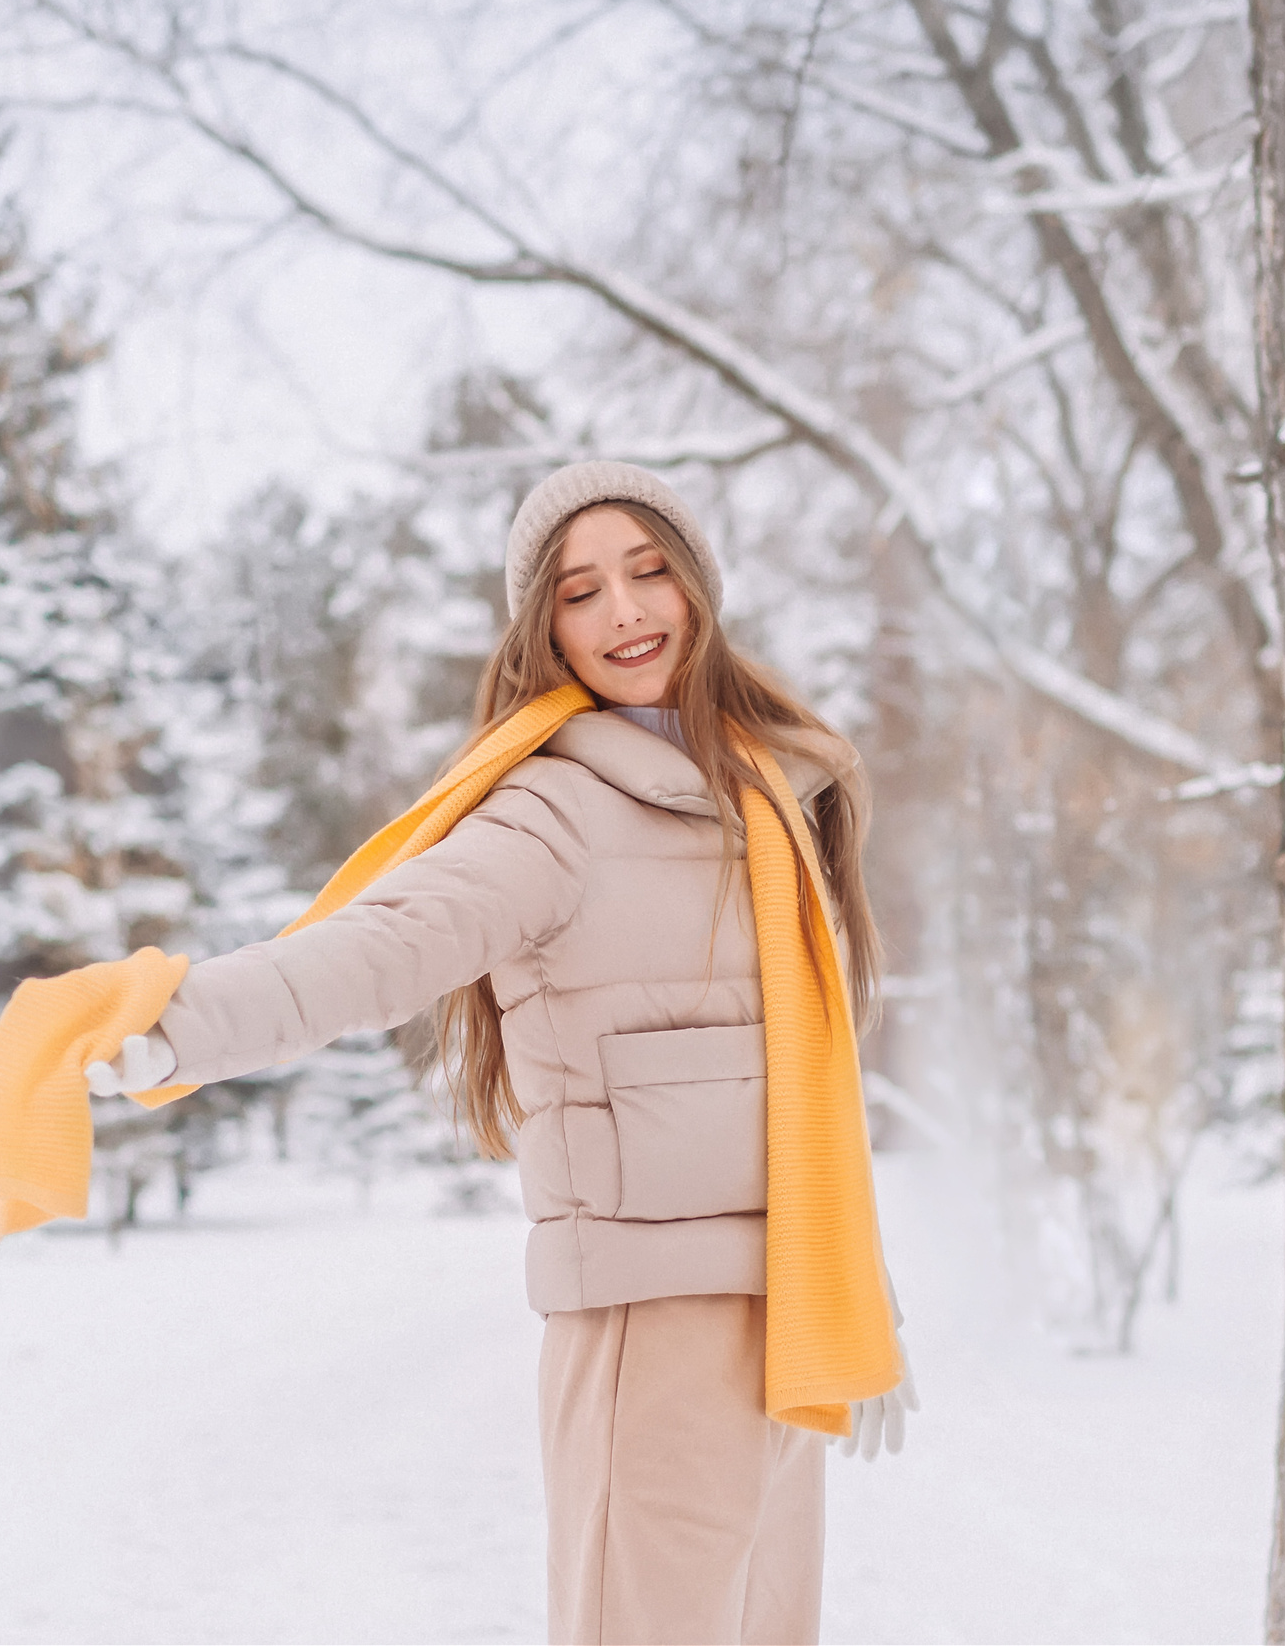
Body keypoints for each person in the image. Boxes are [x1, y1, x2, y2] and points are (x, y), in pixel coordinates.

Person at [87, 460, 916, 1645]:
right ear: (545, 631)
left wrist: (858, 1289)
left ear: (697, 585)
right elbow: (376, 948)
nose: (624, 613)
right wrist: (175, 1024)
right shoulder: (550, 815)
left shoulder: (767, 798)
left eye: (646, 571)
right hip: (649, 1325)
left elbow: (798, 1086)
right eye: (579, 592)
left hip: (787, 1319)